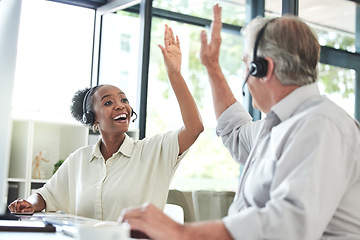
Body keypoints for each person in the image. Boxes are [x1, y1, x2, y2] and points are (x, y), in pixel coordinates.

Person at [119, 4, 360, 240]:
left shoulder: (322, 125)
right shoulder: (280, 125)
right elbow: (234, 129)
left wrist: (181, 232)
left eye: (246, 63)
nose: (244, 73)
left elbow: (287, 228)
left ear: (262, 68)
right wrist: (212, 67)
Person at [8, 24, 204, 221]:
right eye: (108, 102)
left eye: (124, 100)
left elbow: (194, 127)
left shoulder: (153, 151)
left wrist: (175, 74)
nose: (120, 106)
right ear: (93, 119)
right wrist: (29, 203)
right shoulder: (79, 160)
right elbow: (45, 195)